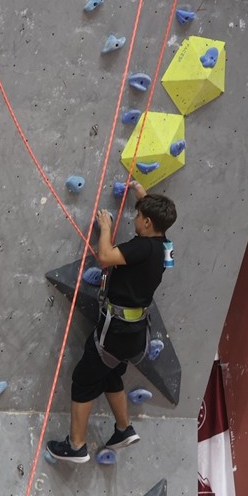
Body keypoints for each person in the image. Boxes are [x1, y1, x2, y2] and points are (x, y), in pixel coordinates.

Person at [47, 182, 177, 463]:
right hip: (135, 332)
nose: (133, 220)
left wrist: (105, 227)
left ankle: (76, 445)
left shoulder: (140, 247)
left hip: (115, 330)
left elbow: (106, 257)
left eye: (137, 216)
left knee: (83, 379)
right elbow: (160, 227)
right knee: (110, 374)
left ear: (146, 222)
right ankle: (123, 429)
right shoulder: (165, 248)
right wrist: (143, 196)